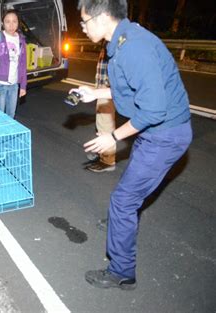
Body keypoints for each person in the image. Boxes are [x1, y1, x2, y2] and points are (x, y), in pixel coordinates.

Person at [71, 0, 192, 290]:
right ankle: (120, 221)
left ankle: (121, 271)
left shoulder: (133, 49)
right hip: (156, 132)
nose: (83, 28)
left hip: (164, 134)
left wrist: (112, 137)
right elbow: (131, 87)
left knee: (123, 200)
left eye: (85, 21)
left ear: (101, 18)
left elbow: (152, 110)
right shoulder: (126, 40)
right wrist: (94, 92)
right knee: (128, 194)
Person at [0, 10, 27, 118]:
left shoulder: (21, 40)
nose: (11, 25)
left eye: (14, 21)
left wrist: (23, 85)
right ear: (3, 23)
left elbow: (22, 64)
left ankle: (7, 135)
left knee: (11, 115)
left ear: (18, 23)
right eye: (8, 21)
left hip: (14, 86)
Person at [85, 42, 116, 172]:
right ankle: (103, 152)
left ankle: (108, 161)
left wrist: (104, 88)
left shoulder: (113, 40)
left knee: (105, 124)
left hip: (108, 88)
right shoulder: (109, 39)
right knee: (102, 122)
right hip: (103, 86)